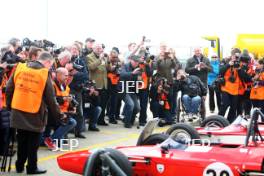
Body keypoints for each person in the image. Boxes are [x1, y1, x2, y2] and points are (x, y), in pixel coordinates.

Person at [5, 51, 63, 174]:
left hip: (18, 110)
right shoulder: (43, 73)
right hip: (35, 113)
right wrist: (59, 115)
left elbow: (9, 88)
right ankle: (31, 167)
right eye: (50, 65)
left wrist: (10, 106)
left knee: (22, 140)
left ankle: (19, 165)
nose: (50, 67)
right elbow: (50, 98)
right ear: (47, 62)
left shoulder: (20, 67)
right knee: (33, 143)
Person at [43, 67, 77, 150]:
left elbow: (67, 99)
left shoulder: (65, 86)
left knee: (60, 144)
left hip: (61, 112)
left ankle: (49, 139)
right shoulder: (52, 85)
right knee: (71, 122)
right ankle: (50, 140)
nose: (67, 77)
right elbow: (51, 100)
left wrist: (72, 107)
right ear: (58, 75)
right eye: (65, 75)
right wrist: (64, 99)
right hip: (52, 113)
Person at [69, 44, 89, 138]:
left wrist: (75, 73)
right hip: (67, 89)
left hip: (77, 89)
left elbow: (86, 75)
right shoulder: (67, 60)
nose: (74, 51)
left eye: (76, 49)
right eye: (72, 49)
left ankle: (78, 132)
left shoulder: (81, 61)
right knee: (68, 111)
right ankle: (66, 133)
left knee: (79, 112)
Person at [87, 43, 109, 126]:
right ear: (93, 49)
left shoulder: (103, 57)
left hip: (103, 83)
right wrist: (100, 59)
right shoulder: (89, 57)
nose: (100, 50)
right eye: (98, 48)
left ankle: (101, 120)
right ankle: (93, 122)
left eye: (101, 48)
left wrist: (107, 59)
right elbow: (91, 67)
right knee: (96, 104)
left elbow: (106, 68)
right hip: (95, 84)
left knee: (103, 103)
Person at [117, 55, 141, 128]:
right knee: (130, 104)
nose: (136, 63)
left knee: (137, 108)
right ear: (131, 60)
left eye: (137, 62)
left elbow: (138, 80)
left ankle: (129, 120)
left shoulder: (138, 68)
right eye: (135, 61)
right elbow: (122, 75)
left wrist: (139, 80)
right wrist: (132, 73)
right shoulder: (125, 66)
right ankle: (127, 123)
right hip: (122, 89)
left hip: (131, 90)